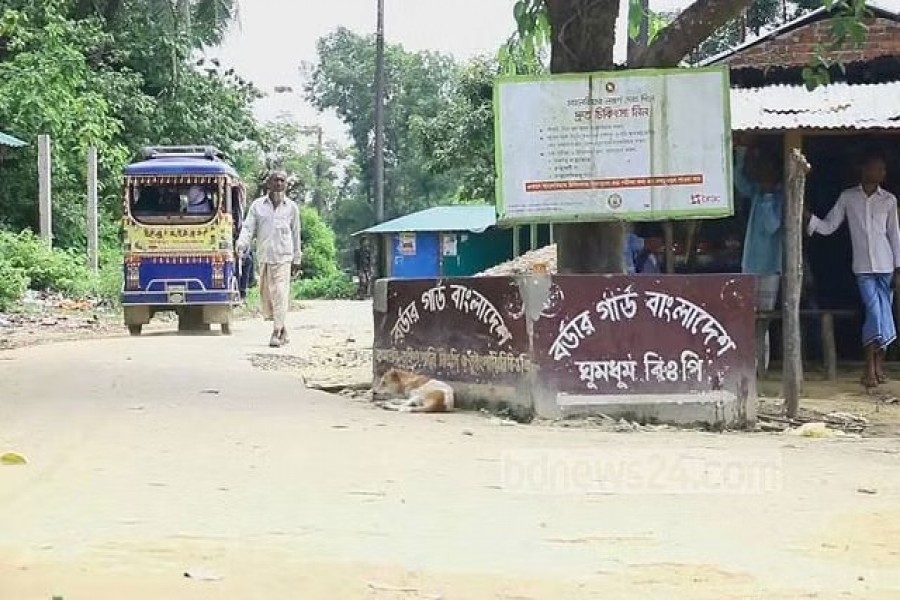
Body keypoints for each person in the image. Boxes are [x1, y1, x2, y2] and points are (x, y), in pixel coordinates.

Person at [806, 148, 900, 390]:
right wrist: (809, 219)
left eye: (883, 169)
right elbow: (829, 226)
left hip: (886, 265)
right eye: (876, 167)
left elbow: (895, 236)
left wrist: (898, 269)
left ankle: (878, 365)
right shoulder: (848, 197)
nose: (881, 172)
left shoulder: (889, 200)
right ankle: (868, 366)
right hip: (863, 268)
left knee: (884, 315)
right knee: (875, 314)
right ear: (863, 169)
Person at [236, 170, 303, 348]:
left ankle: (276, 332)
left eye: (282, 180)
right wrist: (241, 245)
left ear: (286, 185)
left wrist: (297, 258)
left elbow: (296, 233)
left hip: (283, 257)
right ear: (269, 184)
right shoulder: (258, 206)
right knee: (269, 297)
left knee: (281, 292)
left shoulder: (292, 208)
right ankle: (283, 328)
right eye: (276, 180)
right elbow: (248, 228)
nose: (279, 183)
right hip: (264, 257)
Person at [734, 136, 784, 276]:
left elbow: (772, 227)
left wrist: (768, 196)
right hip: (751, 263)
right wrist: (741, 152)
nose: (762, 173)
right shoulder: (757, 191)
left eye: (767, 169)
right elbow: (739, 182)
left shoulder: (782, 196)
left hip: (771, 266)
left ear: (776, 172)